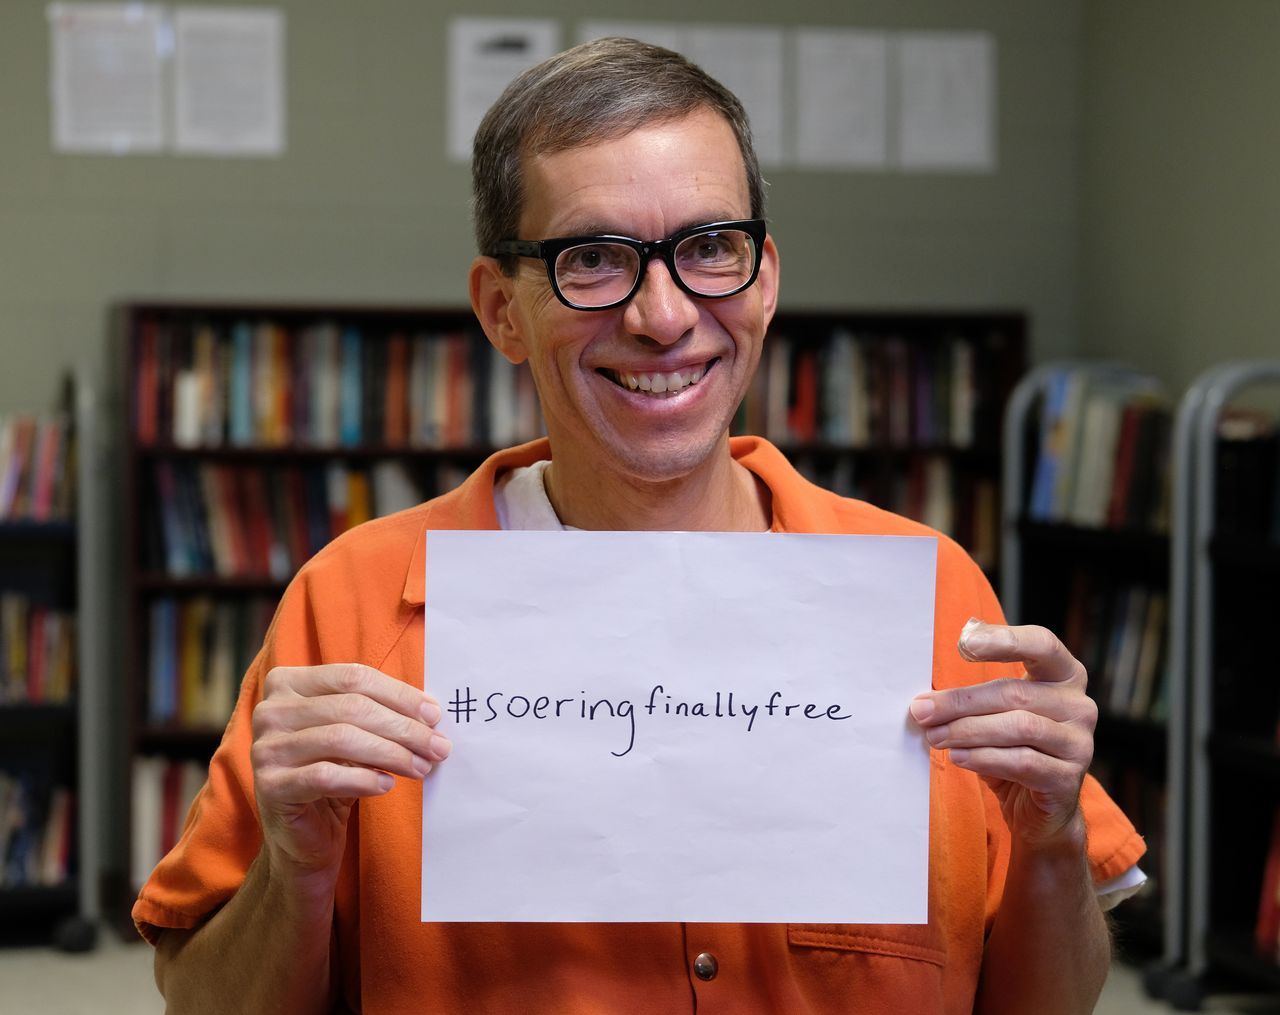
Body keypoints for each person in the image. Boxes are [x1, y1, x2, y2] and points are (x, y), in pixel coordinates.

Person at [136, 37, 1145, 1014]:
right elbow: (203, 1001)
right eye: (592, 258)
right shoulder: (350, 604)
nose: (662, 316)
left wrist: (1049, 839)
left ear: (766, 279)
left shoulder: (928, 597)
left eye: (709, 247)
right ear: (499, 309)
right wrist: (296, 870)